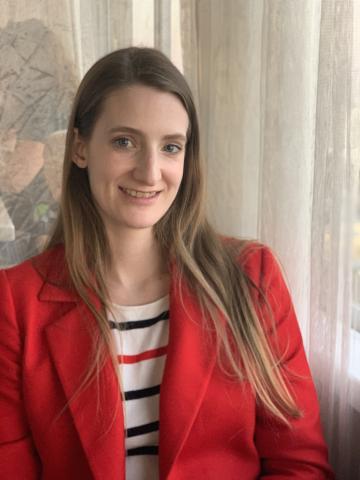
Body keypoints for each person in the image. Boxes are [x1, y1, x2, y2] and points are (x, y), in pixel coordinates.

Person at [0, 46, 334, 480]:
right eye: (125, 142)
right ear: (80, 148)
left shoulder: (253, 277)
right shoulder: (14, 302)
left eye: (171, 147)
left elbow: (299, 464)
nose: (150, 171)